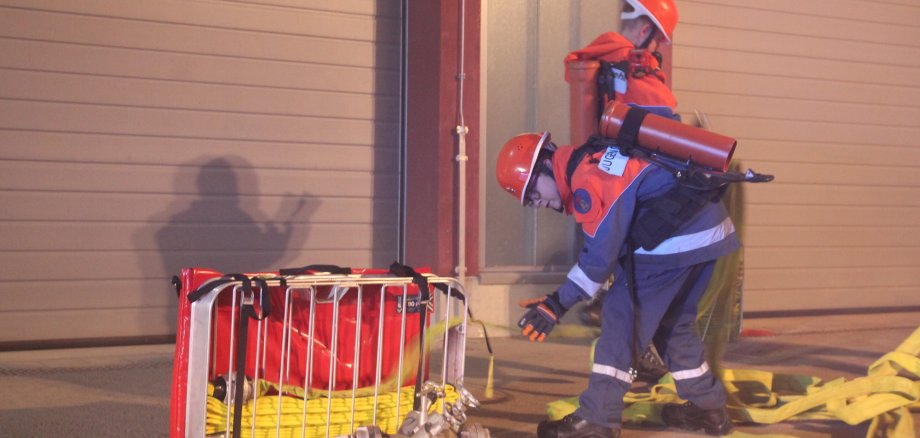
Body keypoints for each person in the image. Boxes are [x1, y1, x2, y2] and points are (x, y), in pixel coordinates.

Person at [495, 128, 737, 437]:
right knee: (674, 324)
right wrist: (555, 301)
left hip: (675, 241)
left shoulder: (587, 179)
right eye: (529, 200)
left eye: (532, 189)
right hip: (709, 230)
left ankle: (597, 419)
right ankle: (709, 408)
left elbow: (599, 259)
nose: (536, 201)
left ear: (545, 164)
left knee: (621, 318)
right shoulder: (596, 160)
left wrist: (556, 304)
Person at [564, 0, 681, 382]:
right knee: (645, 261)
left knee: (613, 250)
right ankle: (635, 347)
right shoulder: (637, 71)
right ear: (649, 32)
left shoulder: (603, 62)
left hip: (601, 176)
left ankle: (625, 334)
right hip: (633, 181)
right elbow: (669, 132)